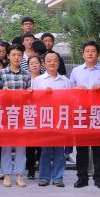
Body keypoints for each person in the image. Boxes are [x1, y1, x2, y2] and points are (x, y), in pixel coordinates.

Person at [69, 40, 100, 189]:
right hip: (81, 112)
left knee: (98, 148)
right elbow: (69, 90)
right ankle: (82, 177)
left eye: (93, 51)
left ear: (98, 54)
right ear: (83, 54)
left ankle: (99, 178)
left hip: (98, 113)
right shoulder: (76, 71)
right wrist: (77, 89)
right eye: (87, 51)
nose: (90, 53)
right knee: (81, 148)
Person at [32, 51, 73, 187]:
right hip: (45, 119)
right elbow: (33, 101)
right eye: (49, 61)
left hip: (60, 119)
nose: (52, 63)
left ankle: (58, 177)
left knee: (59, 151)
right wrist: (43, 95)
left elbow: (69, 101)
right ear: (44, 64)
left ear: (59, 63)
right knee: (45, 150)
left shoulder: (65, 81)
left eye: (55, 60)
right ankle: (44, 177)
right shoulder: (38, 80)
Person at [0, 43, 31, 188]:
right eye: (13, 55)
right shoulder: (2, 73)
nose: (16, 57)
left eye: (19, 55)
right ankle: (6, 174)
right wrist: (2, 92)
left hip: (21, 114)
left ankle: (19, 175)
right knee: (6, 146)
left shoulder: (26, 74)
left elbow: (29, 95)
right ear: (8, 56)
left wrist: (30, 91)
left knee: (21, 146)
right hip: (6, 114)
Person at [24, 53, 43, 180]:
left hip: (42, 113)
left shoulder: (44, 78)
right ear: (28, 66)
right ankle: (30, 169)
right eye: (31, 63)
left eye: (36, 63)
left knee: (41, 144)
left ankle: (41, 167)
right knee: (29, 144)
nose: (34, 65)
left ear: (41, 65)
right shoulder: (25, 78)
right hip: (28, 113)